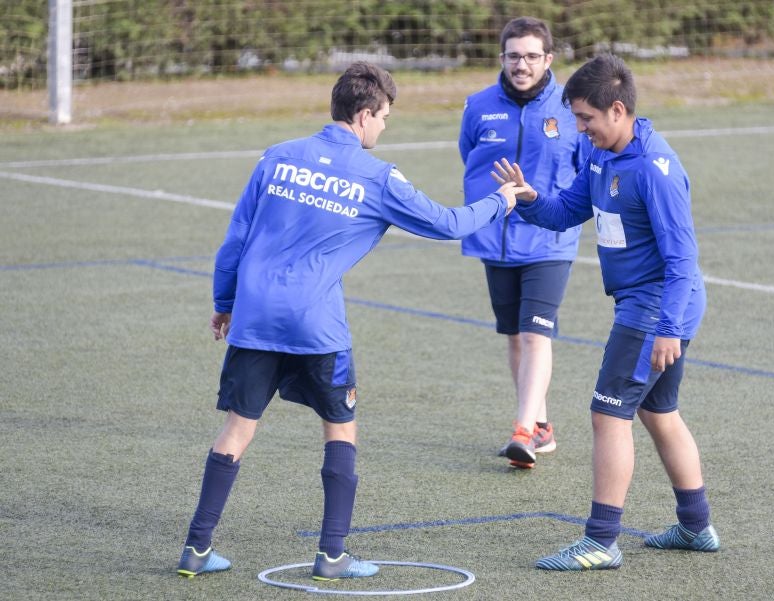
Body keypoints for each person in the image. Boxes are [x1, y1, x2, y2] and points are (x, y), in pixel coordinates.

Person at [176, 62, 523, 580]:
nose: (384, 127)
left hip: (255, 317)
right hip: (316, 326)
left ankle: (196, 550)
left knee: (236, 430)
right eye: (384, 117)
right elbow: (448, 223)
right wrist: (503, 200)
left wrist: (225, 303)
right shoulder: (377, 176)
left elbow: (235, 240)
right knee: (340, 427)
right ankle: (332, 555)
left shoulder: (277, 156)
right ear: (364, 115)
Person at [491, 53, 719, 571]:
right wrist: (528, 198)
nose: (580, 128)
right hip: (649, 306)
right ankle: (696, 525)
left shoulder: (656, 170)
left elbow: (683, 260)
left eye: (586, 118)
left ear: (618, 110)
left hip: (655, 306)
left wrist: (668, 330)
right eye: (575, 118)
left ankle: (600, 540)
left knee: (607, 413)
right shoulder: (599, 156)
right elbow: (566, 211)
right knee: (658, 412)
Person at [458, 16, 590, 469]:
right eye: (514, 56)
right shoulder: (477, 106)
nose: (522, 64)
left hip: (551, 239)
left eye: (532, 56)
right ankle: (542, 425)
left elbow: (584, 167)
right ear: (502, 58)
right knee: (515, 336)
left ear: (548, 59)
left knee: (536, 333)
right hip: (495, 240)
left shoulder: (571, 108)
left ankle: (522, 433)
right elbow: (468, 158)